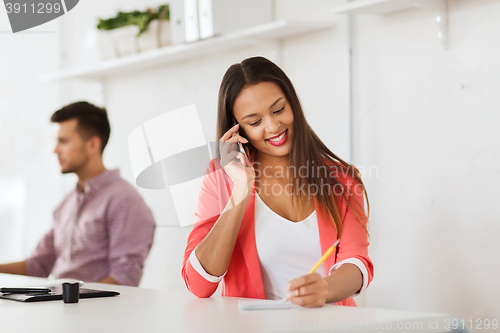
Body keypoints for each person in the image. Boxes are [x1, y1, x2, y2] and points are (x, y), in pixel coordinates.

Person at [182, 56, 373, 307]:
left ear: (293, 104)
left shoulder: (341, 179)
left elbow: (357, 264)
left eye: (279, 109)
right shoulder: (220, 179)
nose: (273, 126)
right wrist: (241, 191)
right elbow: (199, 285)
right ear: (238, 129)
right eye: (255, 122)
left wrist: (325, 289)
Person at [0, 101, 156, 287]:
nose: (55, 150)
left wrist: (68, 302)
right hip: (57, 305)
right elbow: (38, 265)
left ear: (92, 145)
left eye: (64, 141)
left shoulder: (125, 201)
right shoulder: (68, 202)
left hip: (89, 312)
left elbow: (125, 277)